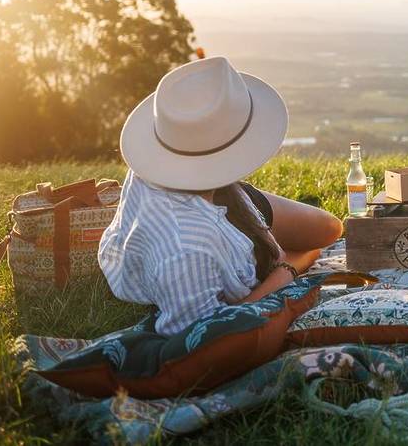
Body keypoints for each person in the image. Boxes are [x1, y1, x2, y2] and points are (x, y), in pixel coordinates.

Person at [98, 56, 343, 334]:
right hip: (204, 214)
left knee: (329, 228)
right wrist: (289, 270)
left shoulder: (163, 154)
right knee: (322, 236)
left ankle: (268, 238)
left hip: (217, 197)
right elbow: (209, 333)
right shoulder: (187, 249)